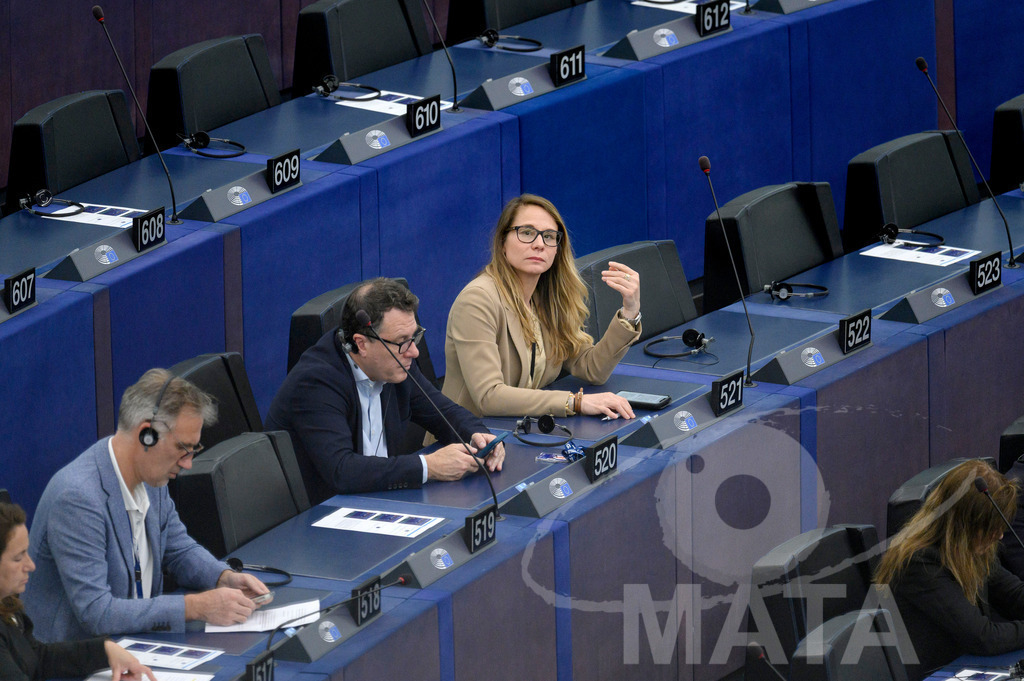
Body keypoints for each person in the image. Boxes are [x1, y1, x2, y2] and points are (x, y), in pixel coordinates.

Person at [25, 369, 270, 642]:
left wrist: (222, 577)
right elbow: (97, 613)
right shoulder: (77, 499)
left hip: (135, 645)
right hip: (75, 663)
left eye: (193, 450)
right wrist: (197, 607)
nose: (188, 463)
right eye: (183, 448)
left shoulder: (153, 481)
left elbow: (179, 549)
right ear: (146, 435)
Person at [265, 277, 504, 504]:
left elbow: (444, 411)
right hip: (322, 521)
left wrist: (479, 436)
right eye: (402, 341)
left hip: (382, 502)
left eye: (415, 337)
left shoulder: (395, 364)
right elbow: (343, 471)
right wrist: (429, 466)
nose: (414, 351)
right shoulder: (316, 382)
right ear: (361, 343)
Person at [442, 194, 642, 418]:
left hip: (521, 430)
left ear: (557, 249)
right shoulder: (477, 300)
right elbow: (489, 396)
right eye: (526, 233)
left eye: (548, 236)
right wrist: (574, 402)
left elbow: (591, 368)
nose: (539, 244)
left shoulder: (547, 299)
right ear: (502, 242)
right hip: (467, 442)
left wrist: (630, 311)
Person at [874, 459, 1024, 681]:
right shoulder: (920, 562)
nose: (999, 536)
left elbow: (1013, 595)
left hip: (963, 664)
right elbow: (983, 637)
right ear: (965, 523)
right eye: (991, 528)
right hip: (932, 673)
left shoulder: (971, 548)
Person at [0, 502, 156, 680]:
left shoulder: (7, 603)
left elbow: (37, 657)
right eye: (18, 557)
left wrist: (105, 650)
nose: (30, 565)